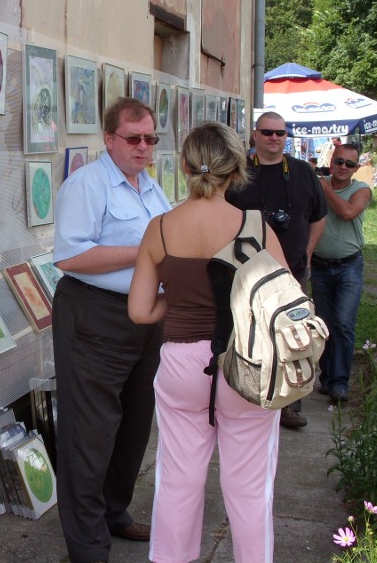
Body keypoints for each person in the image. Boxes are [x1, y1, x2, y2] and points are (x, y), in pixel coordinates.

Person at [128, 122, 286, 563]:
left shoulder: (160, 228)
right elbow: (285, 303)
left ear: (182, 165)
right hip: (245, 362)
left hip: (182, 362)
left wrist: (176, 302)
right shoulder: (256, 227)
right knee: (250, 488)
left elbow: (140, 311)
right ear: (236, 169)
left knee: (178, 481)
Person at [53, 97, 170, 563]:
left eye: (150, 139)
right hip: (95, 316)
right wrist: (145, 249)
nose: (143, 147)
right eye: (133, 138)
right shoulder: (88, 184)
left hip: (144, 319)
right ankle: (87, 547)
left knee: (135, 423)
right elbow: (70, 256)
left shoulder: (151, 189)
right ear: (108, 139)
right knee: (90, 433)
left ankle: (114, 512)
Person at [225, 111, 327, 429]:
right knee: (246, 332)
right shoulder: (239, 173)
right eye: (267, 132)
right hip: (246, 274)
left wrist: (308, 254)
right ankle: (246, 391)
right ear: (254, 135)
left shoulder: (302, 172)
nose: (274, 138)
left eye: (281, 133)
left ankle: (289, 404)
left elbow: (319, 216)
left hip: (292, 273)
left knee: (293, 337)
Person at [311, 144, 372, 403]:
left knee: (344, 324)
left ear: (356, 168)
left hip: (349, 266)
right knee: (324, 326)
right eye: (339, 162)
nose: (343, 168)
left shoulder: (361, 190)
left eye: (349, 164)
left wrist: (324, 188)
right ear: (331, 162)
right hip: (320, 265)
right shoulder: (318, 185)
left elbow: (347, 212)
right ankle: (326, 378)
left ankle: (340, 383)